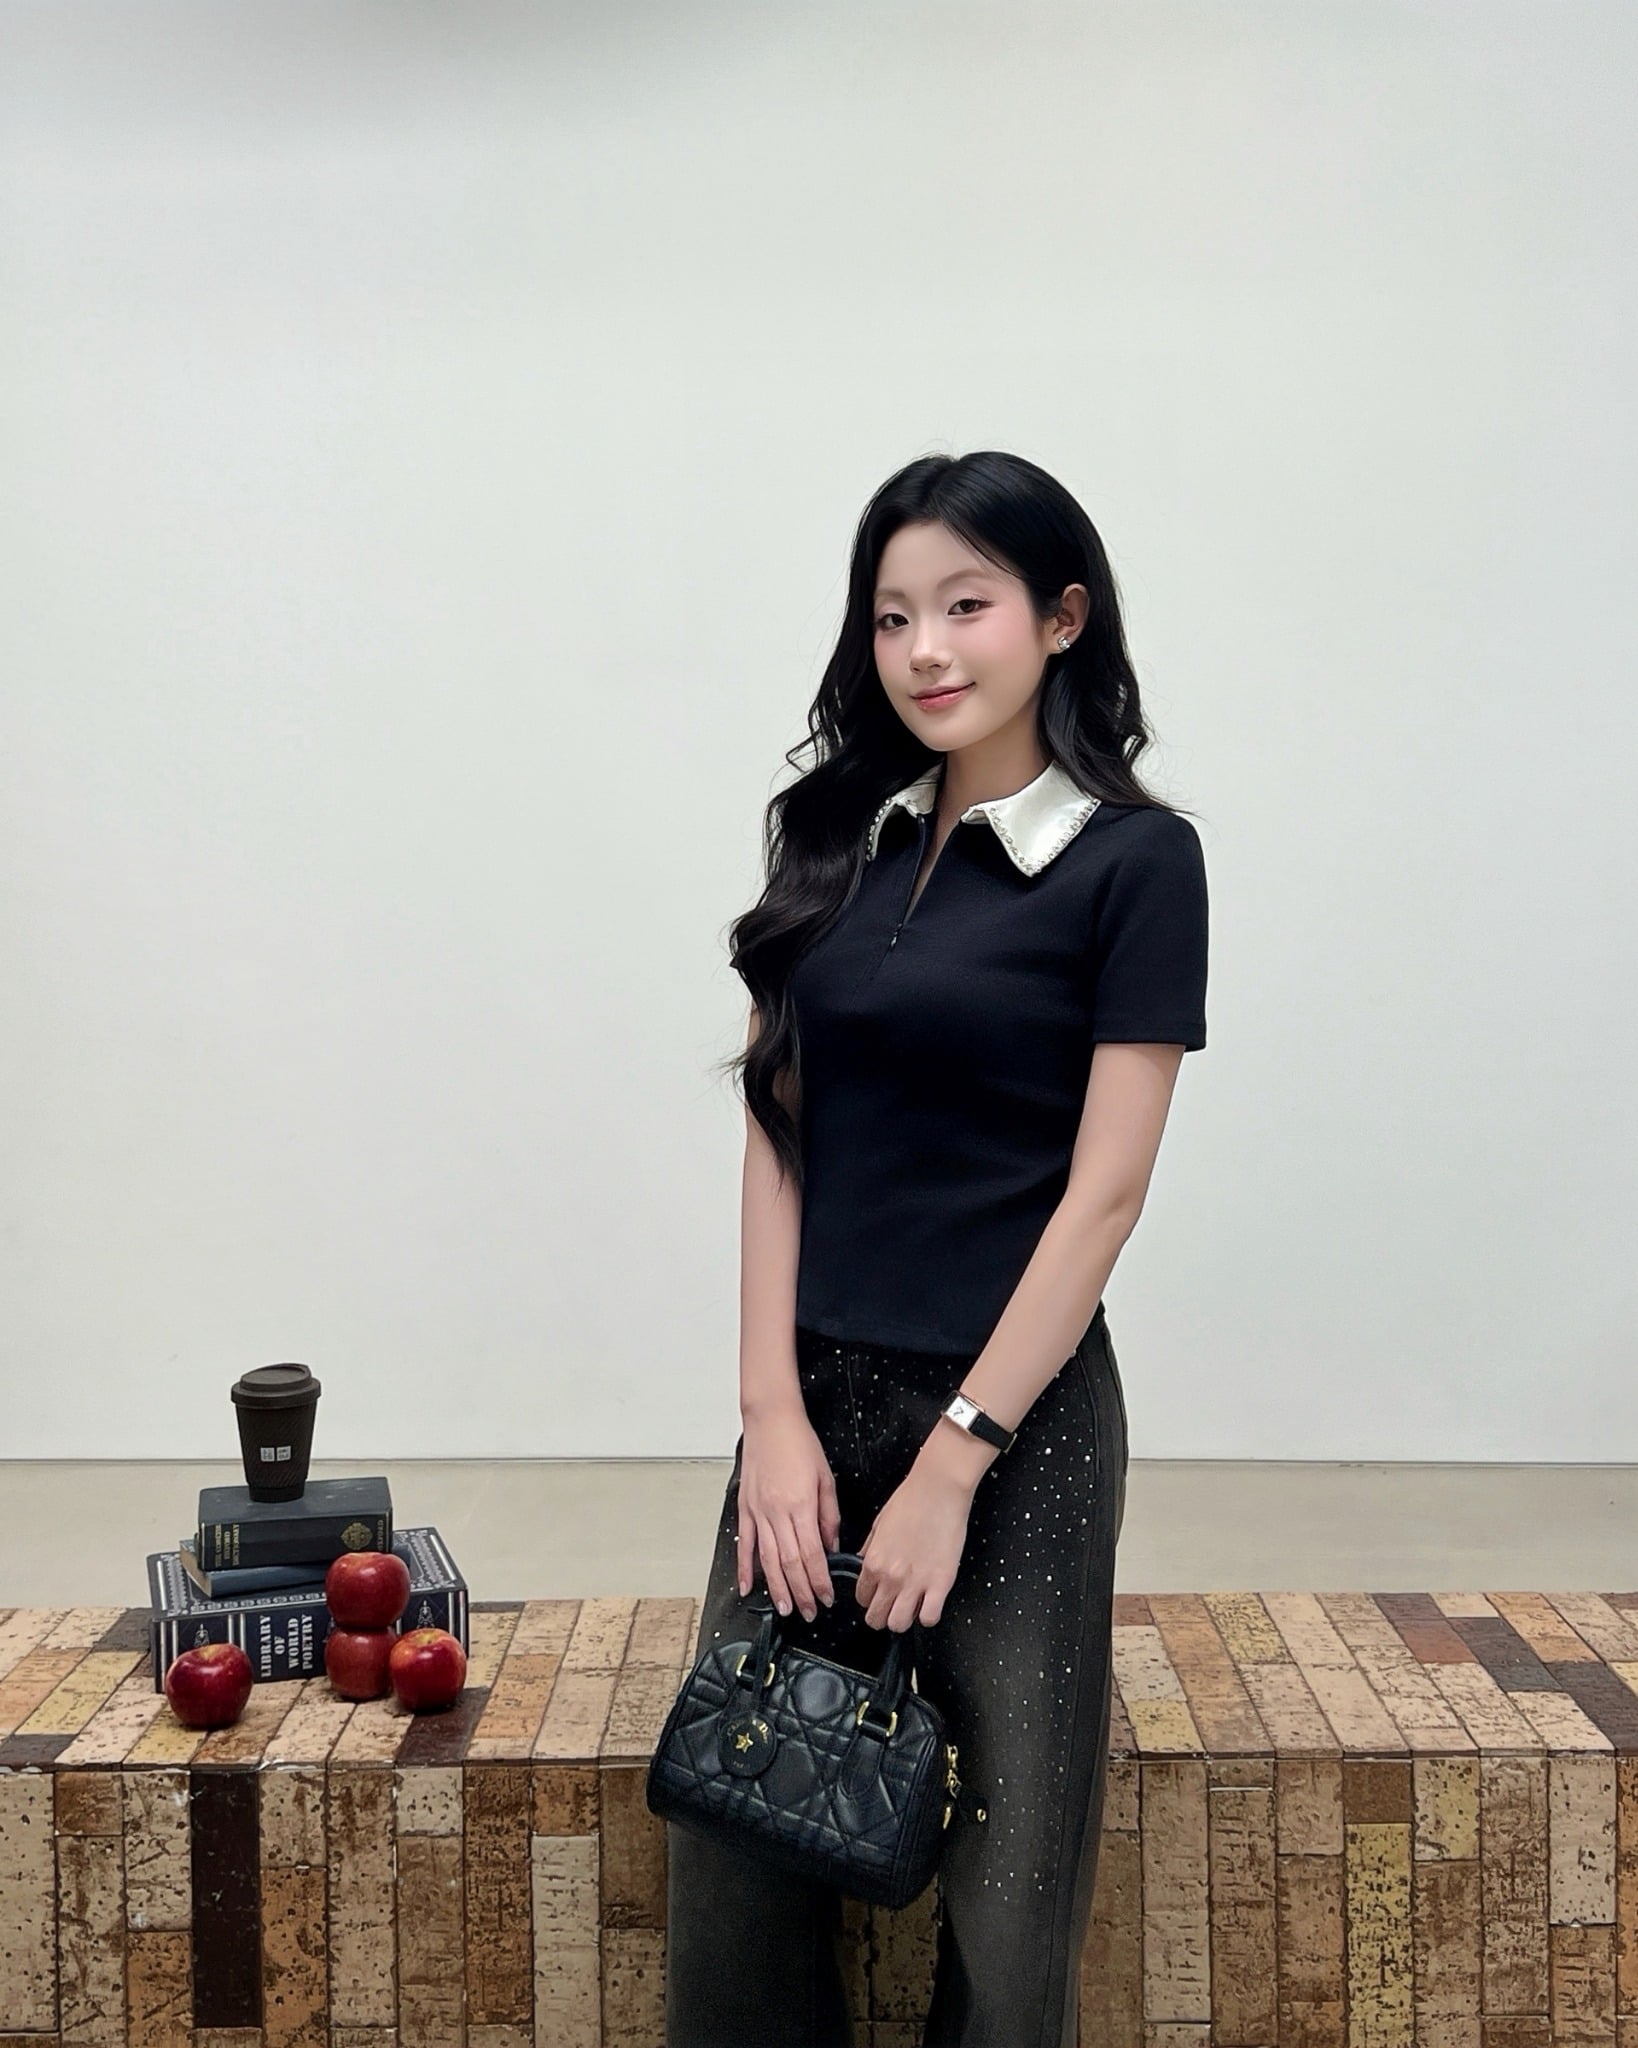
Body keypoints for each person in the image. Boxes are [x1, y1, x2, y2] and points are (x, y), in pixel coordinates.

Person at [664, 448, 1210, 2048]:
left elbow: (1103, 1197)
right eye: (892, 615)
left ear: (1060, 618)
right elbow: (777, 1133)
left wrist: (955, 1459)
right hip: (810, 1406)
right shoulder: (831, 837)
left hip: (1015, 1429)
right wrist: (769, 1415)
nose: (923, 650)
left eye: (965, 606)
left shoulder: (1133, 862)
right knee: (735, 1843)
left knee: (1010, 1885)